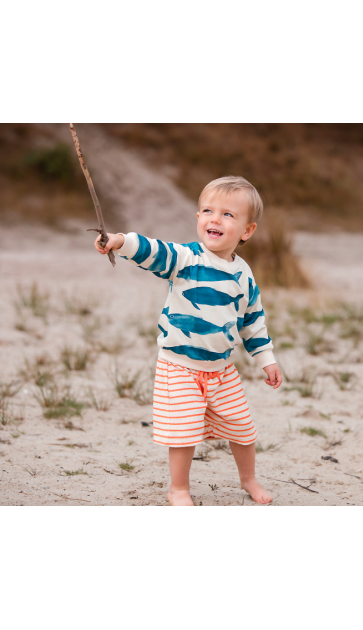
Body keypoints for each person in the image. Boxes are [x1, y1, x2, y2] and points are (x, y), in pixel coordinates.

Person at [94, 175, 282, 506]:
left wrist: (266, 359)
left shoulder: (243, 274)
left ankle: (248, 478)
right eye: (208, 211)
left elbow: (253, 320)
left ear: (247, 231)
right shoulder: (186, 259)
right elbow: (154, 250)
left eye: (228, 214)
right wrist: (121, 241)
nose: (215, 219)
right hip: (179, 368)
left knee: (243, 427)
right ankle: (178, 488)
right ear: (198, 218)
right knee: (183, 433)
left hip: (222, 371)